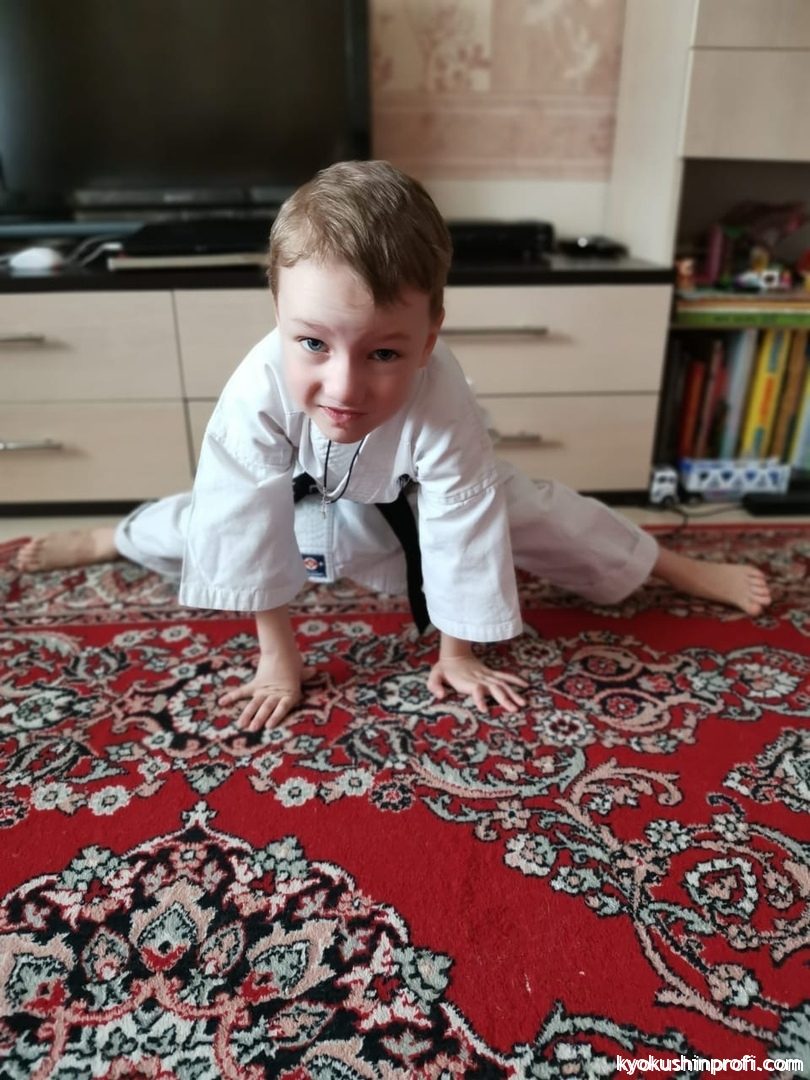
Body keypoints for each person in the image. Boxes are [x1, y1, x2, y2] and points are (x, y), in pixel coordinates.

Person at [16, 161, 772, 731]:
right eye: (313, 343)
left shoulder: (443, 397)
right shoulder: (255, 391)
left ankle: (672, 564)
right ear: (277, 311)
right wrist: (278, 659)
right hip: (305, 495)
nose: (344, 387)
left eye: (384, 352)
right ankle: (112, 536)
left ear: (429, 336)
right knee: (202, 520)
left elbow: (461, 524)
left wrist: (457, 652)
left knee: (536, 510)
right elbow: (241, 519)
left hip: (405, 497)